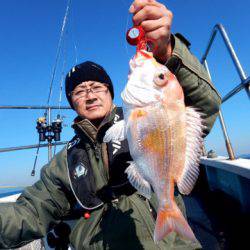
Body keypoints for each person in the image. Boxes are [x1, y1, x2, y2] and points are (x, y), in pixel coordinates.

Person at [0, 0, 221, 249]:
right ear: (72, 103)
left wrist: (168, 51)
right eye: (79, 92)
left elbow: (206, 106)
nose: (90, 95)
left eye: (96, 87)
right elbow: (31, 210)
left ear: (110, 92)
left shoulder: (145, 114)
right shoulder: (64, 162)